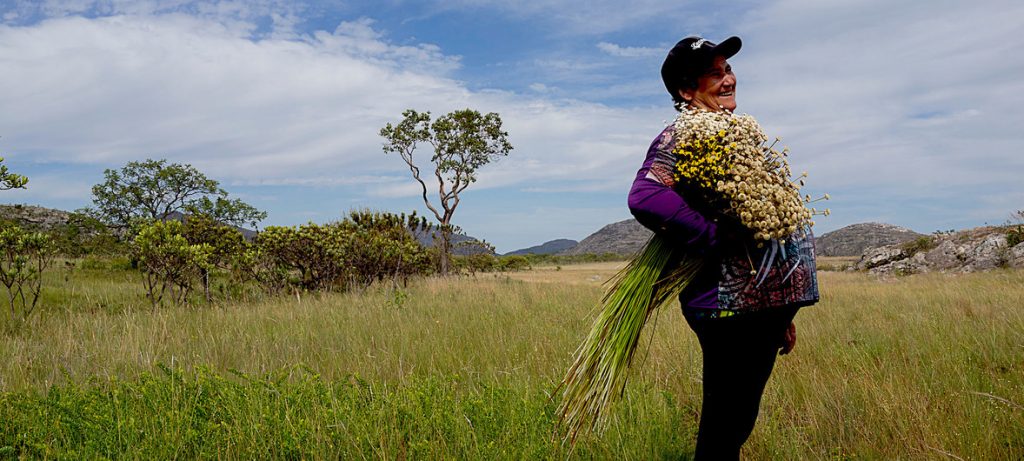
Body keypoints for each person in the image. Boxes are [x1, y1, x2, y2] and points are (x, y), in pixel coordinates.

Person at [627, 36, 819, 461]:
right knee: (725, 424)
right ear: (686, 91)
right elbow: (645, 195)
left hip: (759, 310)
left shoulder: (727, 131)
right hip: (727, 307)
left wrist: (781, 313)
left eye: (727, 69)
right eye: (715, 73)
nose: (729, 78)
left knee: (737, 420)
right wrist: (715, 238)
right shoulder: (684, 134)